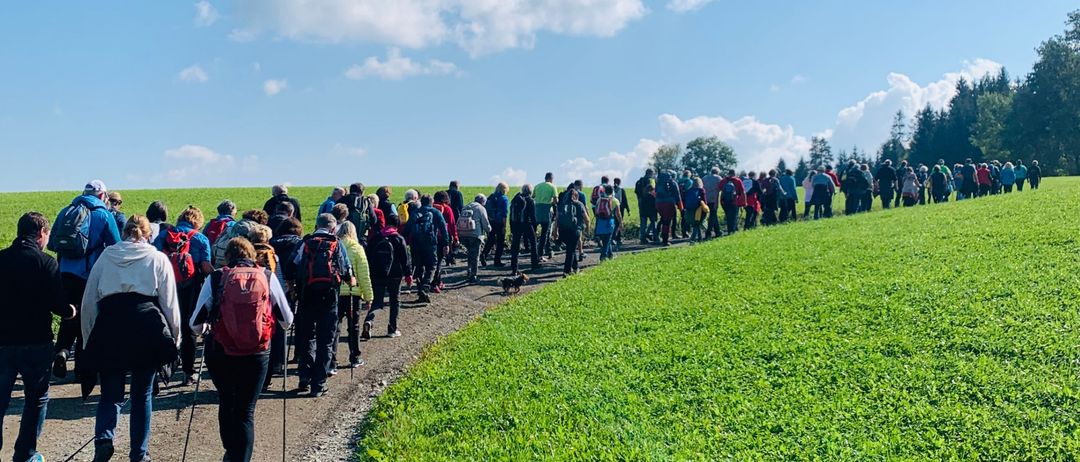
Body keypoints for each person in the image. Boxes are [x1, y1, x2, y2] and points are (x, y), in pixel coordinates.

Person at [80, 215, 180, 462]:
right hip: (146, 327)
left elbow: (89, 301)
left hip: (111, 324)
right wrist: (174, 339)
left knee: (110, 393)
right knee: (142, 394)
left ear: (124, 232)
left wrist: (87, 339)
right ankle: (139, 454)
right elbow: (169, 303)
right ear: (149, 235)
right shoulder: (158, 258)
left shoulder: (106, 256)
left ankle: (104, 438)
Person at [190, 237, 293, 462]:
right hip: (257, 353)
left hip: (222, 352)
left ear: (227, 256)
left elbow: (195, 325)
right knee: (246, 411)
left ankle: (230, 453)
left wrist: (210, 324)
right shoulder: (266, 276)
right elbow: (287, 320)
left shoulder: (217, 277)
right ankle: (241, 459)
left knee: (227, 401)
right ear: (252, 255)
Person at [0, 212, 76, 462]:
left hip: (3, 342)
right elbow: (59, 305)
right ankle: (25, 455)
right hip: (36, 341)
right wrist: (70, 312)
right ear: (42, 233)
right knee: (36, 399)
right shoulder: (46, 263)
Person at [48, 179, 122, 380]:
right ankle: (82, 369)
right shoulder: (104, 215)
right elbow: (116, 246)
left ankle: (62, 350)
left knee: (69, 313)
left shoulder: (66, 211)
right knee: (87, 318)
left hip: (64, 273)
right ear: (102, 196)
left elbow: (53, 243)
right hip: (90, 275)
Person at [292, 214, 354, 397]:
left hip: (306, 297)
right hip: (329, 299)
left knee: (306, 337)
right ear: (333, 228)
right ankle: (318, 384)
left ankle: (305, 376)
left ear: (316, 225)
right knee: (325, 340)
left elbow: (292, 265)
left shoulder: (305, 243)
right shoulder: (337, 244)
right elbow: (346, 271)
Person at [153, 206, 214, 386]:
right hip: (192, 287)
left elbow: (154, 259)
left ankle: (164, 368)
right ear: (197, 221)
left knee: (166, 324)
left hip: (166, 286)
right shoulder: (200, 238)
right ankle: (189, 372)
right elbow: (205, 267)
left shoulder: (164, 236)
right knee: (189, 328)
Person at [364, 214, 410, 339]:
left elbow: (368, 255)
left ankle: (369, 320)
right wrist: (408, 274)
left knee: (377, 302)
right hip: (395, 275)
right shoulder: (399, 238)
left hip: (377, 273)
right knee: (395, 301)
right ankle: (392, 329)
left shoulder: (376, 237)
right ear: (397, 225)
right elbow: (405, 259)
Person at [334, 222, 372, 370]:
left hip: (337, 293)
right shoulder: (357, 249)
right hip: (352, 294)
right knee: (353, 327)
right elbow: (363, 274)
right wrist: (369, 296)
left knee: (335, 327)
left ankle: (332, 359)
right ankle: (355, 356)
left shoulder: (335, 247)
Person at [268, 217, 303, 376]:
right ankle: (298, 354)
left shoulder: (271, 243)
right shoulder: (299, 243)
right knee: (294, 321)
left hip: (273, 287)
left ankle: (276, 361)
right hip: (292, 287)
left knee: (276, 324)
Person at [407, 195, 449, 304]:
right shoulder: (435, 212)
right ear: (432, 202)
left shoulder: (415, 213)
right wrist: (446, 243)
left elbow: (407, 229)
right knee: (432, 266)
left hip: (415, 244)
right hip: (430, 244)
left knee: (418, 267)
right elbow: (444, 229)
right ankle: (425, 288)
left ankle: (420, 289)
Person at [457, 195, 491, 284]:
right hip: (475, 235)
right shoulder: (481, 208)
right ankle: (473, 276)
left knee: (470, 253)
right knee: (475, 255)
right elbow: (485, 224)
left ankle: (469, 270)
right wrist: (489, 230)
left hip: (463, 234)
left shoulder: (466, 207)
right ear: (482, 201)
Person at [556, 186, 589, 276]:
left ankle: (575, 268)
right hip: (575, 230)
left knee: (571, 249)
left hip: (563, 230)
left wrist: (556, 231)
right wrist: (587, 229)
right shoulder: (579, 204)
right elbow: (587, 219)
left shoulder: (561, 204)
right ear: (576, 196)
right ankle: (566, 271)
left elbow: (557, 219)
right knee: (570, 251)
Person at [509, 184, 538, 274]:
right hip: (527, 224)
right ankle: (534, 265)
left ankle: (514, 268)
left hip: (516, 225)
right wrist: (535, 227)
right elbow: (533, 216)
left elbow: (511, 215)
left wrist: (512, 227)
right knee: (533, 243)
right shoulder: (530, 200)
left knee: (515, 246)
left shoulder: (515, 199)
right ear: (530, 191)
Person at [337, 183, 377, 247]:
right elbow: (374, 220)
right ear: (362, 191)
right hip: (361, 237)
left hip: (343, 237)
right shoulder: (366, 201)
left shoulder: (342, 200)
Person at [431, 191, 457, 289]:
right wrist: (455, 237)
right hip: (443, 238)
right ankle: (436, 282)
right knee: (439, 261)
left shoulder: (432, 207)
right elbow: (451, 224)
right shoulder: (447, 209)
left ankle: (437, 280)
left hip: (431, 237)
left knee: (433, 260)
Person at [482, 183, 509, 266]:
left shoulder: (491, 197)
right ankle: (497, 261)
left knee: (490, 239)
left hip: (491, 221)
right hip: (500, 222)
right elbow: (504, 214)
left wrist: (490, 218)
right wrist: (504, 226)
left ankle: (483, 254)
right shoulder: (504, 199)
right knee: (500, 242)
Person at [532, 173, 559, 260]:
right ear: (551, 179)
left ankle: (534, 251)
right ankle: (540, 254)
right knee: (545, 233)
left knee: (534, 232)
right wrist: (550, 202)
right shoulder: (552, 186)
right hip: (547, 210)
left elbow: (532, 197)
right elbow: (556, 201)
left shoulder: (537, 186)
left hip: (537, 210)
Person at [654, 170, 682, 246]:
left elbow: (655, 193)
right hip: (669, 203)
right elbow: (677, 195)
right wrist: (681, 207)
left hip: (658, 204)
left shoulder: (658, 183)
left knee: (663, 220)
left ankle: (658, 236)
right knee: (667, 222)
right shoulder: (673, 183)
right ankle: (665, 240)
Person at [718, 170, 746, 235]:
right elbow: (743, 192)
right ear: (734, 173)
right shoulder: (738, 180)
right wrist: (744, 202)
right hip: (734, 201)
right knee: (734, 216)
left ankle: (730, 230)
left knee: (728, 216)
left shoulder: (723, 181)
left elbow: (719, 189)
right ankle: (732, 232)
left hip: (724, 202)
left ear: (728, 173)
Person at [635, 169, 658, 244]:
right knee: (653, 221)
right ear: (650, 173)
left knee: (643, 223)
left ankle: (642, 238)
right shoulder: (651, 181)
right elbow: (653, 191)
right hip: (650, 204)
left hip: (642, 204)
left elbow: (637, 194)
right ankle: (655, 237)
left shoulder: (638, 182)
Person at [702, 167, 722, 237]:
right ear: (717, 172)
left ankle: (717, 231)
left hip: (706, 199)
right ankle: (708, 232)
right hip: (714, 199)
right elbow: (720, 189)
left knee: (713, 216)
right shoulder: (718, 178)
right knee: (712, 215)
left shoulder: (704, 178)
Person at [611, 178, 631, 249]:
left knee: (613, 223)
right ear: (620, 182)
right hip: (620, 208)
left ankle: (613, 237)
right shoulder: (622, 190)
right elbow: (625, 200)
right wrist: (628, 210)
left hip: (611, 208)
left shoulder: (611, 189)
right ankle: (618, 238)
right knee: (619, 223)